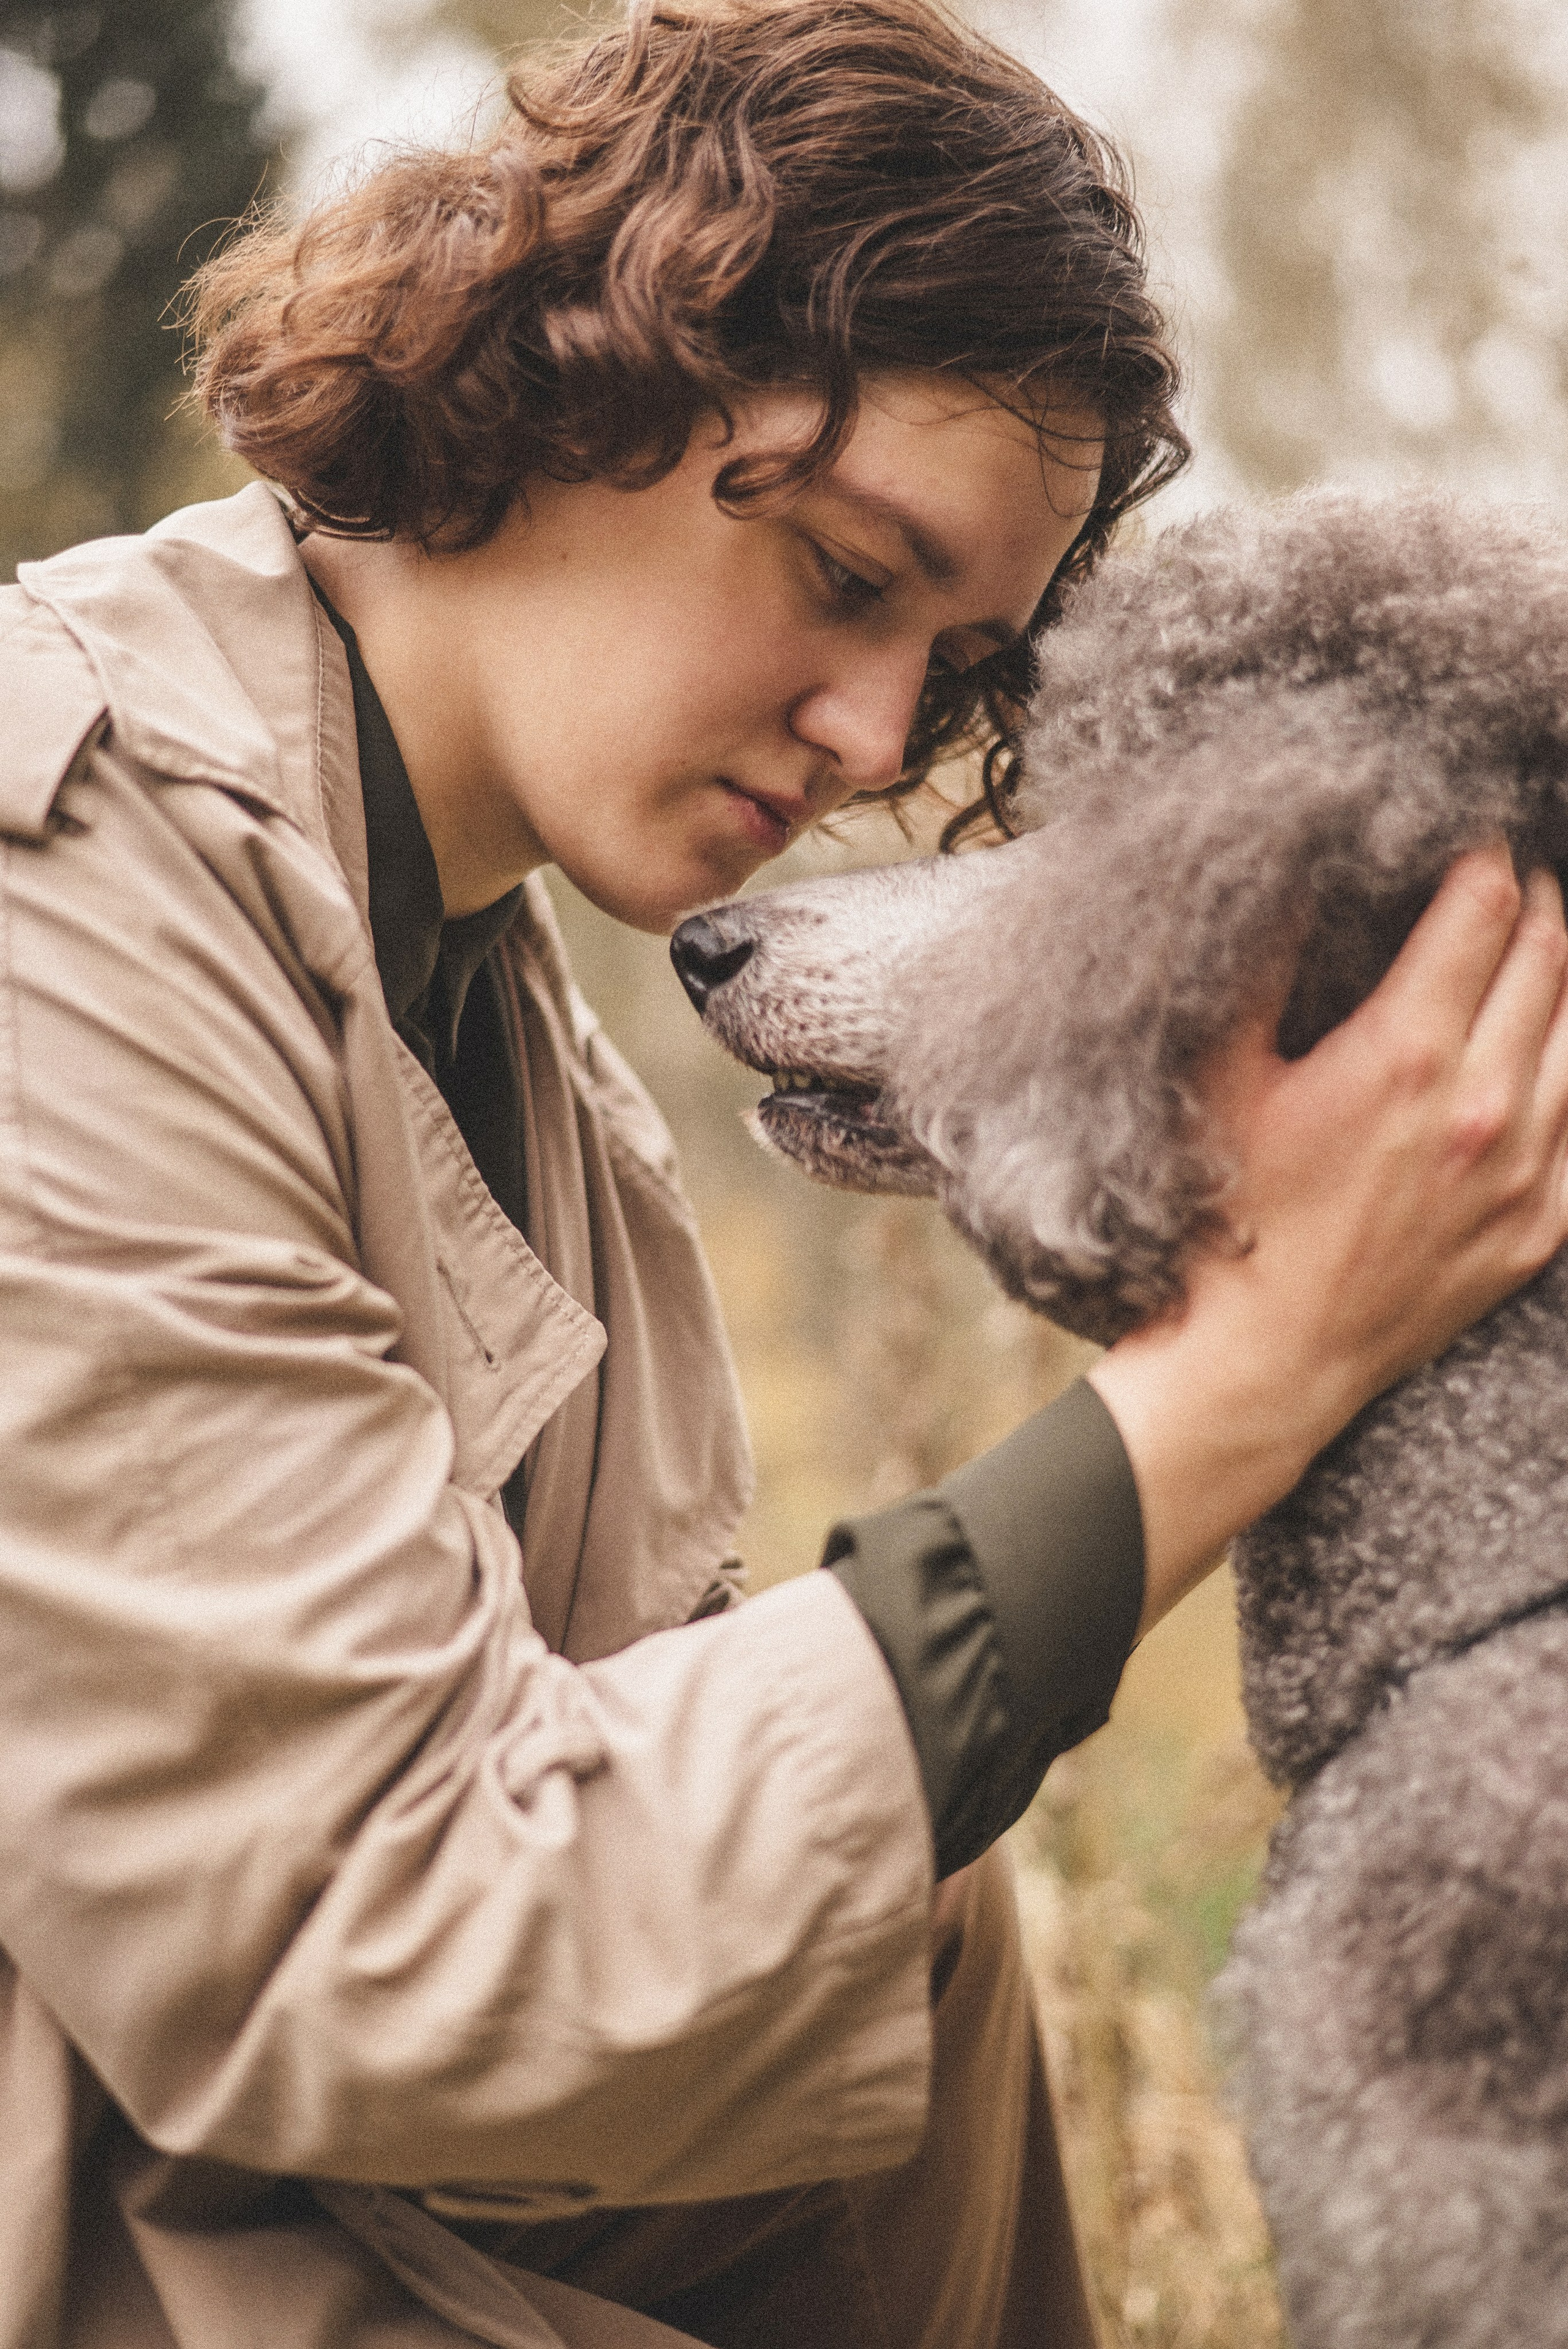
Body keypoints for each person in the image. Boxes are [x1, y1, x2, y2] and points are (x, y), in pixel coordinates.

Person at [2, 2, 1566, 2343]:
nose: (869, 744)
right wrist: (1262, 1358)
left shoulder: (505, 1019)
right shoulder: (64, 886)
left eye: (952, 673)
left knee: (883, 1902)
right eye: (849, 575)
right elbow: (374, 1932)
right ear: (581, 372)